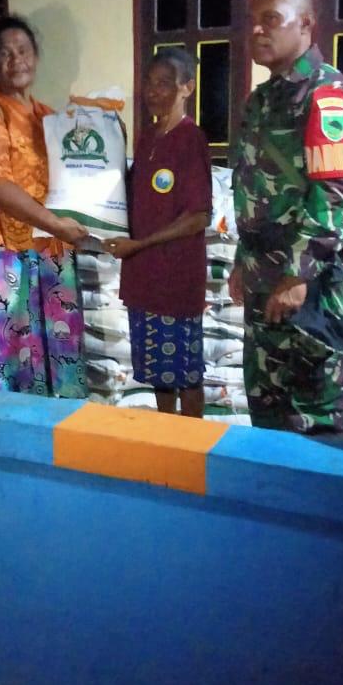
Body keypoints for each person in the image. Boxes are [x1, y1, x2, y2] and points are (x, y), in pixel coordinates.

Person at [230, 0, 343, 437]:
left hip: (307, 280)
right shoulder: (262, 100)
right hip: (261, 272)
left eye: (271, 19)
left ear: (305, 24)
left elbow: (335, 193)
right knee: (267, 398)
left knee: (314, 404)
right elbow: (253, 189)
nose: (257, 30)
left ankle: (325, 485)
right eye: (253, 21)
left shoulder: (326, 94)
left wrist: (297, 276)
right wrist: (241, 260)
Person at [0, 14, 88, 397]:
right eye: (5, 53)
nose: (16, 59)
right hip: (6, 256)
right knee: (9, 361)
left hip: (52, 253)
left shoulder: (48, 116)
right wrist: (55, 224)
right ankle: (5, 433)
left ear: (36, 56)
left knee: (60, 358)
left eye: (23, 50)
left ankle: (60, 432)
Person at [104, 48, 212, 418]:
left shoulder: (191, 139)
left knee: (187, 374)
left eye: (164, 83)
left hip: (175, 279)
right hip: (143, 277)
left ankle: (193, 444)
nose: (152, 91)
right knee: (159, 375)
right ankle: (167, 437)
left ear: (187, 88)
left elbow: (198, 216)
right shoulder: (148, 137)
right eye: (149, 83)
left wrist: (141, 244)